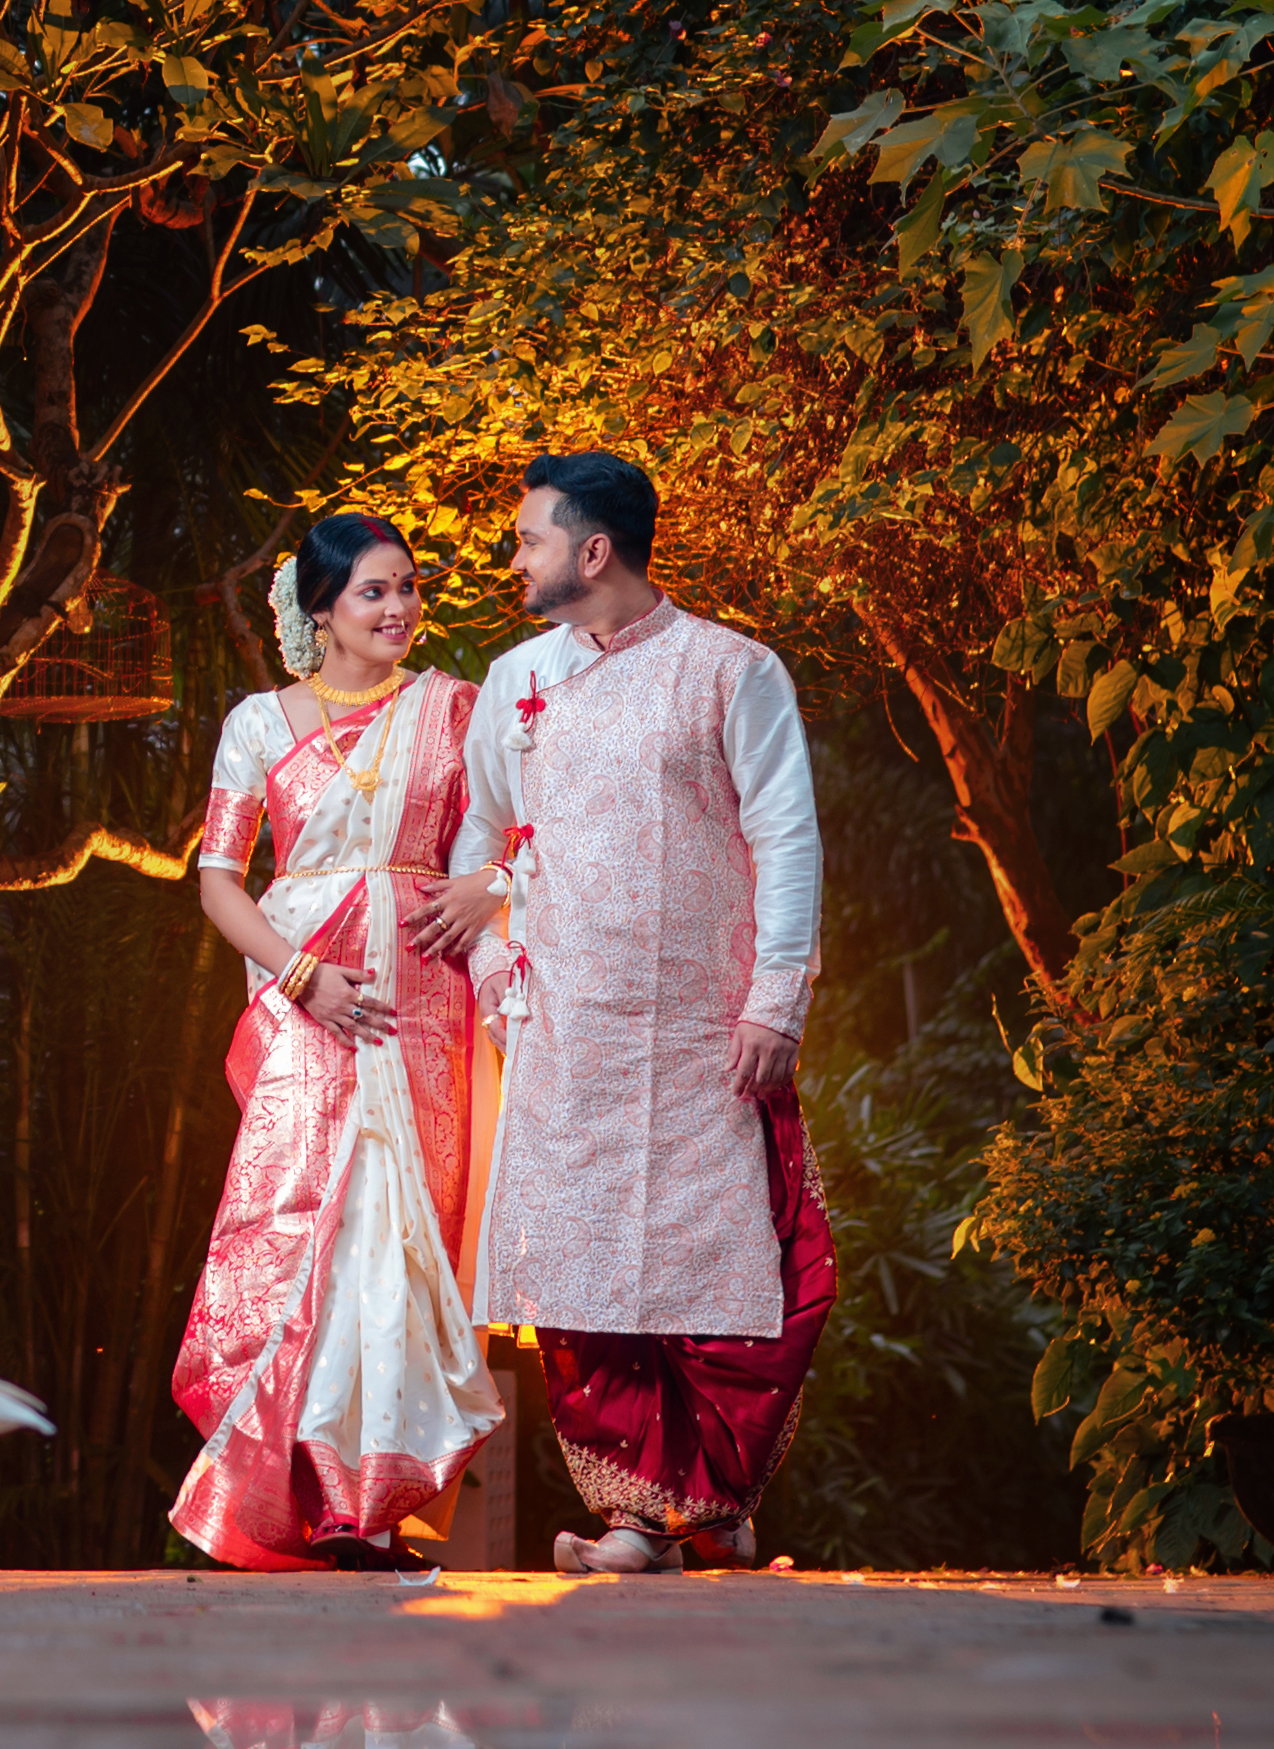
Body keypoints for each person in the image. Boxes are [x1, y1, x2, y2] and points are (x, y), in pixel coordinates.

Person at [417, 449, 835, 1573]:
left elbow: (785, 839)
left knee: (722, 1271)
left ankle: (713, 1501)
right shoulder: (513, 682)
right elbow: (481, 845)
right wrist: (500, 972)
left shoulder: (730, 672)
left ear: (591, 551)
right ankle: (637, 1517)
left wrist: (775, 1000)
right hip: (564, 1026)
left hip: (706, 1029)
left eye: (529, 540)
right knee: (584, 1276)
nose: (515, 559)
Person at [168, 514, 509, 1573]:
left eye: (408, 588)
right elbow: (217, 878)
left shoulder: (457, 710)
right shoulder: (259, 725)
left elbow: (515, 838)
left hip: (422, 1003)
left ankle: (363, 1505)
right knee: (308, 1231)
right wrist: (300, 974)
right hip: (302, 999)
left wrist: (487, 886)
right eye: (373, 592)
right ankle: (299, 1490)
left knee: (400, 1247)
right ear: (319, 610)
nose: (400, 608)